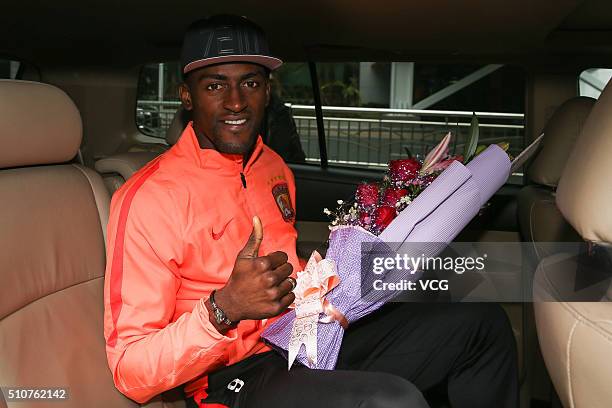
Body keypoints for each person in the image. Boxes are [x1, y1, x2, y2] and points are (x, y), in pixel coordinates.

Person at [103, 15, 518, 408]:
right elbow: (130, 369)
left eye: (250, 82)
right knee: (390, 401)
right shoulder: (149, 198)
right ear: (186, 96)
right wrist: (224, 308)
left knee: (481, 323)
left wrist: (343, 276)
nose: (235, 102)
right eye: (214, 86)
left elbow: (294, 272)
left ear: (268, 90)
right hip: (229, 376)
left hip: (304, 335)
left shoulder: (274, 167)